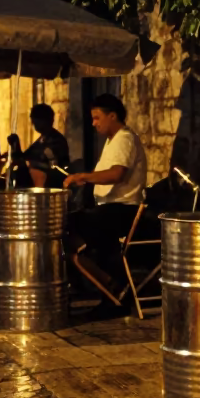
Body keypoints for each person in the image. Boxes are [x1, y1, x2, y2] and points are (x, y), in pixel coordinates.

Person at [63, 94, 147, 291]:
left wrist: (82, 176)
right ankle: (99, 278)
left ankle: (108, 279)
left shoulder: (125, 139)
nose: (94, 123)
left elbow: (116, 173)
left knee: (72, 222)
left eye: (97, 118)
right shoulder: (113, 140)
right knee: (72, 222)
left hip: (122, 209)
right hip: (109, 208)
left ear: (112, 116)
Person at [8, 104, 70, 189]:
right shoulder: (41, 140)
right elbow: (23, 158)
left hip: (49, 185)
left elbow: (51, 164)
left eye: (36, 121)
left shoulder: (57, 140)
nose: (34, 124)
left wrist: (29, 163)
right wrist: (15, 145)